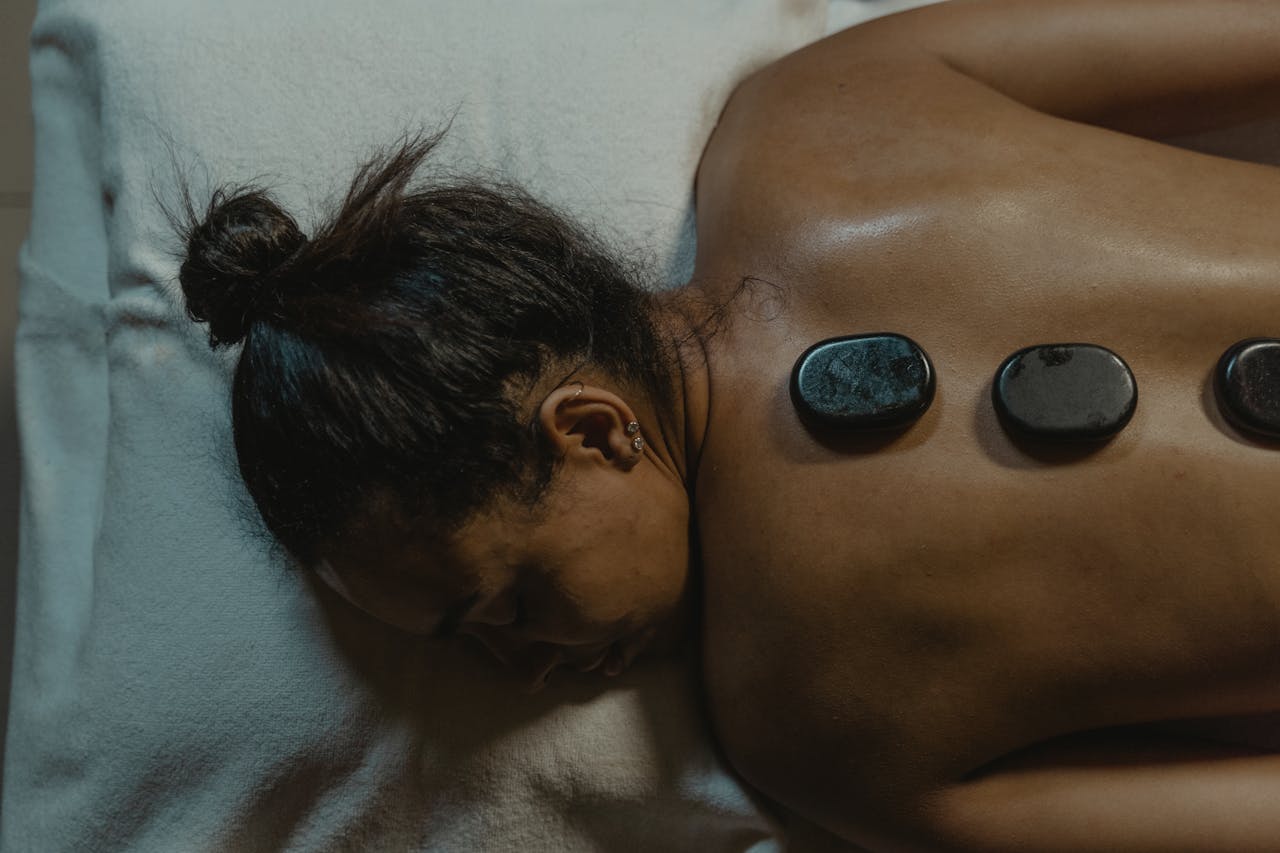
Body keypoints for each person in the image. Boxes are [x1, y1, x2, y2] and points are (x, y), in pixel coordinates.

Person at [171, 1, 1280, 849]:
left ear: (594, 431)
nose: (525, 672)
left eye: (501, 606)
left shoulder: (811, 729)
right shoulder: (821, 111)